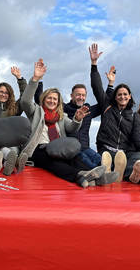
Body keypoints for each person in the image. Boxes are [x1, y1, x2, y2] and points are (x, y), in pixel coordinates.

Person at [19, 59, 119, 187]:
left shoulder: (61, 116)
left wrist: (77, 119)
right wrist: (35, 79)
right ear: (43, 99)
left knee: (75, 158)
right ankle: (79, 176)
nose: (52, 101)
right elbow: (25, 101)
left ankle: (96, 176)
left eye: (55, 99)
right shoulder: (35, 111)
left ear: (58, 102)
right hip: (39, 149)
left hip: (59, 147)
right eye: (49, 98)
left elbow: (71, 127)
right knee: (54, 162)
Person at [89, 44, 140, 187]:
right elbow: (97, 88)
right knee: (105, 157)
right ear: (115, 96)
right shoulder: (107, 106)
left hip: (126, 151)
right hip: (106, 148)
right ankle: (113, 170)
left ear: (130, 96)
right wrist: (94, 64)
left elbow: (138, 135)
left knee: (137, 157)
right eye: (119, 94)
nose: (122, 96)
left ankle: (131, 173)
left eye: (125, 94)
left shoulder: (133, 115)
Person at [63, 66, 116, 169]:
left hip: (85, 147)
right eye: (78, 95)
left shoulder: (89, 110)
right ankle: (97, 171)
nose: (81, 97)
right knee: (85, 159)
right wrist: (39, 80)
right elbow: (44, 101)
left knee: (98, 158)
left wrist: (110, 85)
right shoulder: (64, 109)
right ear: (71, 95)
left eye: (83, 95)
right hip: (71, 148)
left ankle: (111, 170)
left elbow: (104, 102)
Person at [0, 66, 32, 175]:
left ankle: (8, 166)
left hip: (12, 142)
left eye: (6, 93)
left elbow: (25, 97)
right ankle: (17, 161)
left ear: (9, 95)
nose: (4, 95)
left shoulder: (13, 109)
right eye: (1, 92)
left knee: (14, 149)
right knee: (5, 150)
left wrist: (20, 79)